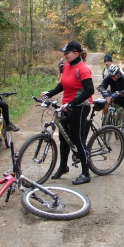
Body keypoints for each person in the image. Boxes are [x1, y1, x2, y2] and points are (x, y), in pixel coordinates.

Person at [41, 41, 94, 185]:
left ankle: (85, 173)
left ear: (76, 53)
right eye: (64, 52)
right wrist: (49, 93)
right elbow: (62, 85)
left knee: (77, 139)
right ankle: (63, 167)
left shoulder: (83, 68)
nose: (64, 55)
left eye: (67, 52)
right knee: (63, 138)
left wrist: (72, 103)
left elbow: (89, 91)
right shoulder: (66, 66)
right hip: (67, 106)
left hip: (80, 107)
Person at [97, 64, 124, 131]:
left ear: (118, 73)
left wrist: (119, 93)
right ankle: (105, 120)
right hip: (113, 96)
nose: (113, 78)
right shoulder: (109, 77)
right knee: (106, 102)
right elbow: (101, 86)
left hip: (123, 98)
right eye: (111, 76)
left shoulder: (123, 78)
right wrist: (103, 92)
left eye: (114, 76)